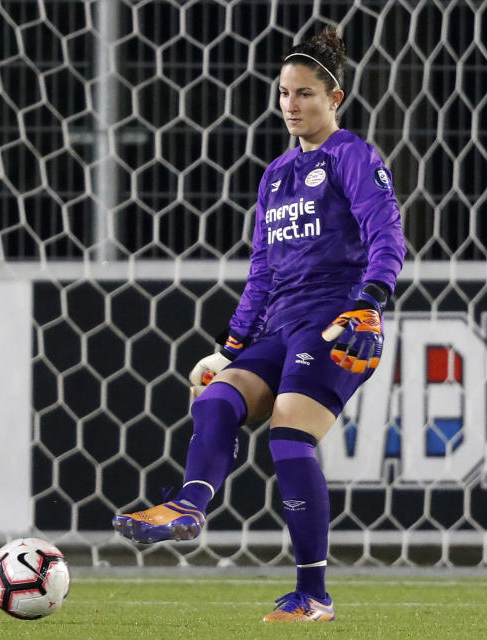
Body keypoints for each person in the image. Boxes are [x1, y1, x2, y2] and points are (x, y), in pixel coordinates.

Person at [112, 27, 405, 623]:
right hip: (280, 327)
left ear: (335, 99)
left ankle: (314, 595)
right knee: (217, 400)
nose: (292, 105)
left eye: (304, 95)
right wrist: (230, 349)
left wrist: (370, 302)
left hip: (336, 324)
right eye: (284, 95)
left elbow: (387, 235)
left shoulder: (352, 155)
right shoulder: (275, 176)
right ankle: (189, 508)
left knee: (288, 437)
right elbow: (263, 273)